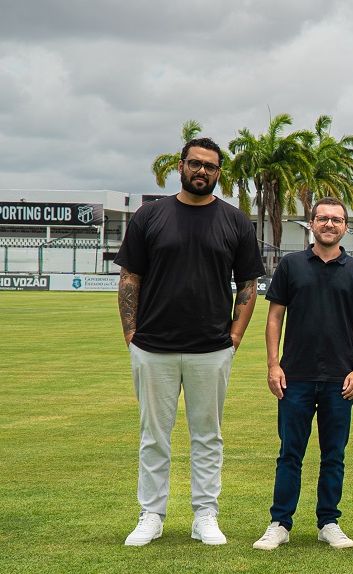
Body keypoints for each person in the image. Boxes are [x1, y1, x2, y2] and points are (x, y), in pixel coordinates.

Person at [116, 137, 265, 546]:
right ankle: (151, 514)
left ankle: (205, 516)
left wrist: (234, 337)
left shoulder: (235, 221)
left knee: (208, 436)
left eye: (210, 166)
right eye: (195, 163)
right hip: (152, 346)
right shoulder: (150, 216)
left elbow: (248, 283)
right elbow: (130, 277)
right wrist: (131, 334)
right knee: (154, 436)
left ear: (219, 173)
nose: (202, 171)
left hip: (212, 348)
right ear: (181, 166)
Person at [252, 198, 353, 551]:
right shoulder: (291, 265)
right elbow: (275, 317)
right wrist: (273, 364)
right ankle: (280, 523)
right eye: (323, 218)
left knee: (333, 455)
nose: (329, 224)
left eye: (337, 219)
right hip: (295, 377)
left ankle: (328, 523)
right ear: (311, 224)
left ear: (345, 227)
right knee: (290, 454)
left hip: (341, 379)